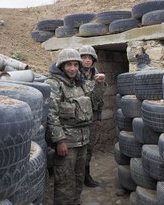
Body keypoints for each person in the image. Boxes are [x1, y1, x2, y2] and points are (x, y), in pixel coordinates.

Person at [45, 48, 105, 205]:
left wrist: (99, 85)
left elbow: (94, 102)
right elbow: (51, 115)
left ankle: (75, 201)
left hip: (83, 140)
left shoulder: (80, 83)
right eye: (68, 65)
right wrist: (59, 141)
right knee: (65, 179)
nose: (73, 69)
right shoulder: (54, 84)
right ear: (61, 66)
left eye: (75, 65)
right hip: (67, 143)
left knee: (79, 176)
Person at [79, 45, 107, 187]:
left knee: (89, 149)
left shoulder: (97, 76)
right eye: (84, 57)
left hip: (91, 119)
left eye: (90, 57)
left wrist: (98, 118)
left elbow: (99, 100)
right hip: (77, 120)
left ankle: (86, 176)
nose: (87, 60)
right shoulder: (74, 75)